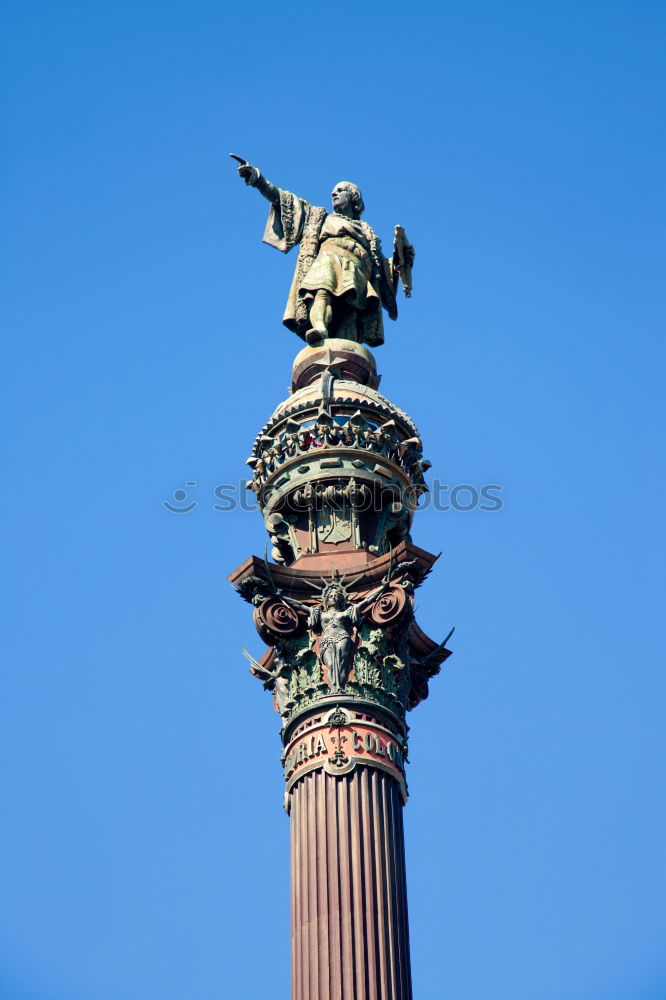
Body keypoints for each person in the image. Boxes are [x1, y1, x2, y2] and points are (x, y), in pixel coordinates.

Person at [233, 158, 414, 347]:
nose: (333, 193)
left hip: (357, 270)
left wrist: (402, 261)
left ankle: (347, 351)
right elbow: (284, 200)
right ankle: (319, 327)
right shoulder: (318, 217)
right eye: (333, 191)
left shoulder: (369, 234)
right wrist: (259, 181)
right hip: (328, 259)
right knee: (322, 292)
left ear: (354, 198)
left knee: (350, 314)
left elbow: (382, 271)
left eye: (340, 190)